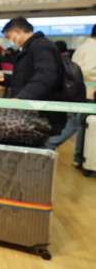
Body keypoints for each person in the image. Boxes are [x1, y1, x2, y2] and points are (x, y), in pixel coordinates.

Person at [0, 16, 66, 136]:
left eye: (9, 37)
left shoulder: (40, 45)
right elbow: (28, 77)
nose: (10, 41)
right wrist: (6, 79)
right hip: (30, 113)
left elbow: (45, 76)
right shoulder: (29, 48)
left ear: (17, 32)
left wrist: (21, 99)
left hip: (40, 114)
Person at [47, 27, 96, 169]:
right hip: (88, 93)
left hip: (79, 93)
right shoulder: (92, 49)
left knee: (76, 124)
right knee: (81, 125)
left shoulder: (84, 47)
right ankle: (79, 158)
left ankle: (79, 157)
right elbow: (87, 71)